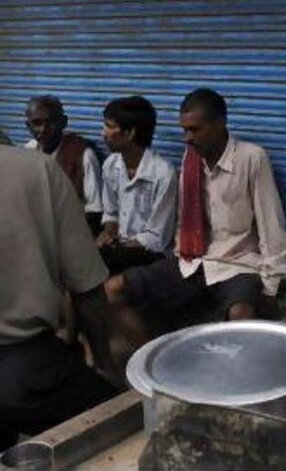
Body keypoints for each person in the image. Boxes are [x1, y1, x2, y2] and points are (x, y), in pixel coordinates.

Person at [104, 88, 286, 346]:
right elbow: (184, 220)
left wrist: (270, 287)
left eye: (195, 129)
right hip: (192, 262)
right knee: (113, 290)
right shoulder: (191, 159)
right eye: (184, 130)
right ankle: (156, 364)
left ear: (220, 124)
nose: (187, 138)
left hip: (238, 265)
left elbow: (272, 226)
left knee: (241, 316)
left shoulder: (252, 159)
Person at [0, 146, 119, 451]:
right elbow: (88, 285)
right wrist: (104, 362)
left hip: (22, 368)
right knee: (122, 425)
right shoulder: (37, 169)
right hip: (22, 368)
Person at [97, 96, 177, 275]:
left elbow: (157, 238)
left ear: (130, 133)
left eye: (109, 126)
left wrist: (118, 249)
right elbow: (111, 213)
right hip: (121, 249)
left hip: (151, 256)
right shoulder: (111, 164)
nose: (103, 133)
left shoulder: (163, 173)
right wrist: (108, 233)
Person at [24, 95, 104, 235]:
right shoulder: (27, 152)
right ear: (28, 126)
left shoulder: (83, 154)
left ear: (63, 122)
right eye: (36, 123)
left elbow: (95, 210)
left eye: (50, 122)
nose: (43, 129)